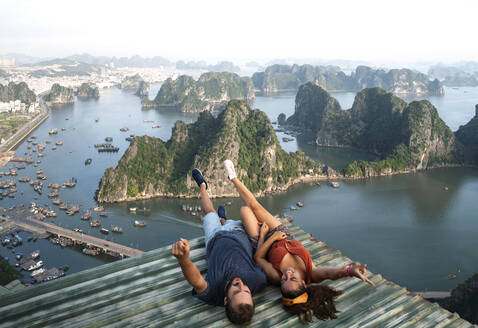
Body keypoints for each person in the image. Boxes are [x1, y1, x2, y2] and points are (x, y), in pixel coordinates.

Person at [222, 159, 375, 323]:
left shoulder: (275, 276)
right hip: (283, 233)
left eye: (284, 280)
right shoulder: (312, 274)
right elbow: (331, 273)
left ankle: (223, 220)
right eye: (292, 278)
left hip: (263, 242)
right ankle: (232, 177)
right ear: (303, 283)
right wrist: (349, 271)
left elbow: (258, 258)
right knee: (255, 206)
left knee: (245, 210)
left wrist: (266, 236)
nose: (287, 274)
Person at [172, 168, 267, 324]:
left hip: (214, 238)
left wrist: (184, 260)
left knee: (209, 211)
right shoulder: (258, 280)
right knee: (232, 218)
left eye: (236, 291)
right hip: (237, 231)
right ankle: (223, 220)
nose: (241, 285)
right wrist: (262, 235)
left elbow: (197, 282)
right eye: (247, 291)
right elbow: (259, 256)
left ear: (225, 301)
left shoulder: (214, 293)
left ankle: (202, 185)